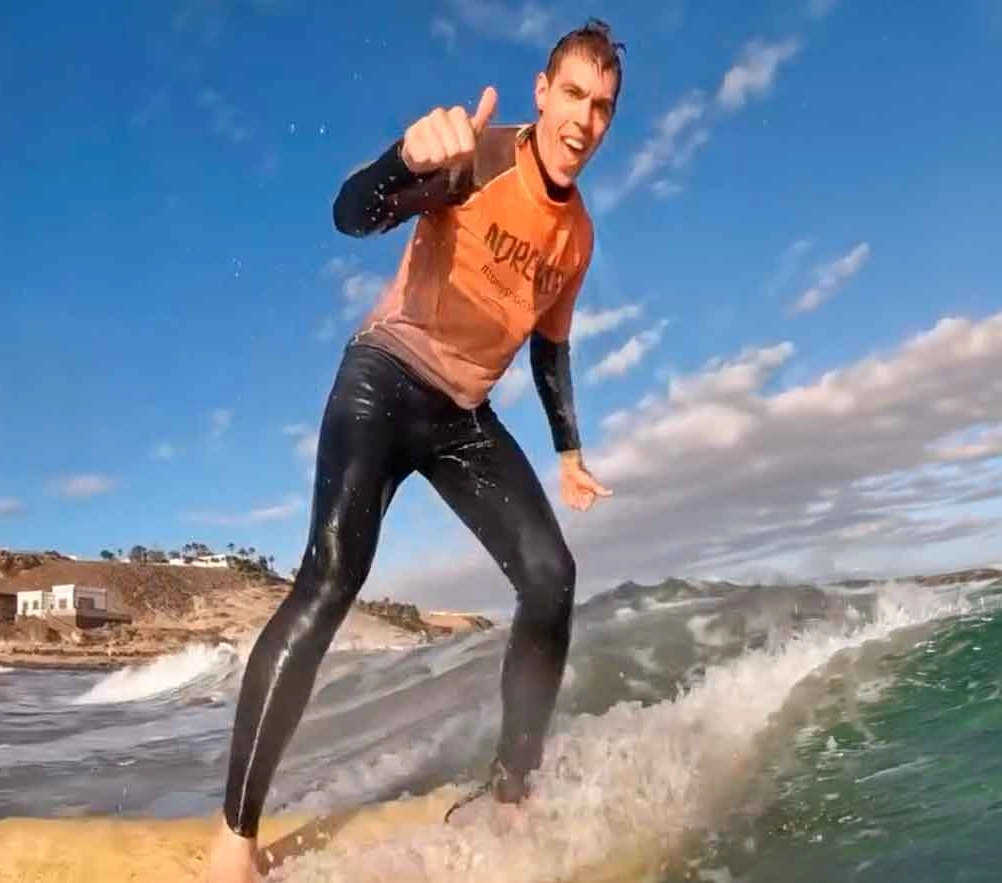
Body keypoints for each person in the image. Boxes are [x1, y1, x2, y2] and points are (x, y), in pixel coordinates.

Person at [206, 18, 624, 882]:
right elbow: (350, 214)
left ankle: (511, 797)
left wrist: (569, 450)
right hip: (385, 376)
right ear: (543, 93)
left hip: (463, 414)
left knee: (551, 577)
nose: (584, 119)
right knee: (332, 575)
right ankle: (234, 841)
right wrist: (406, 159)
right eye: (573, 95)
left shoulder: (577, 237)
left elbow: (549, 348)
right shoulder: (476, 156)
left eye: (604, 107)